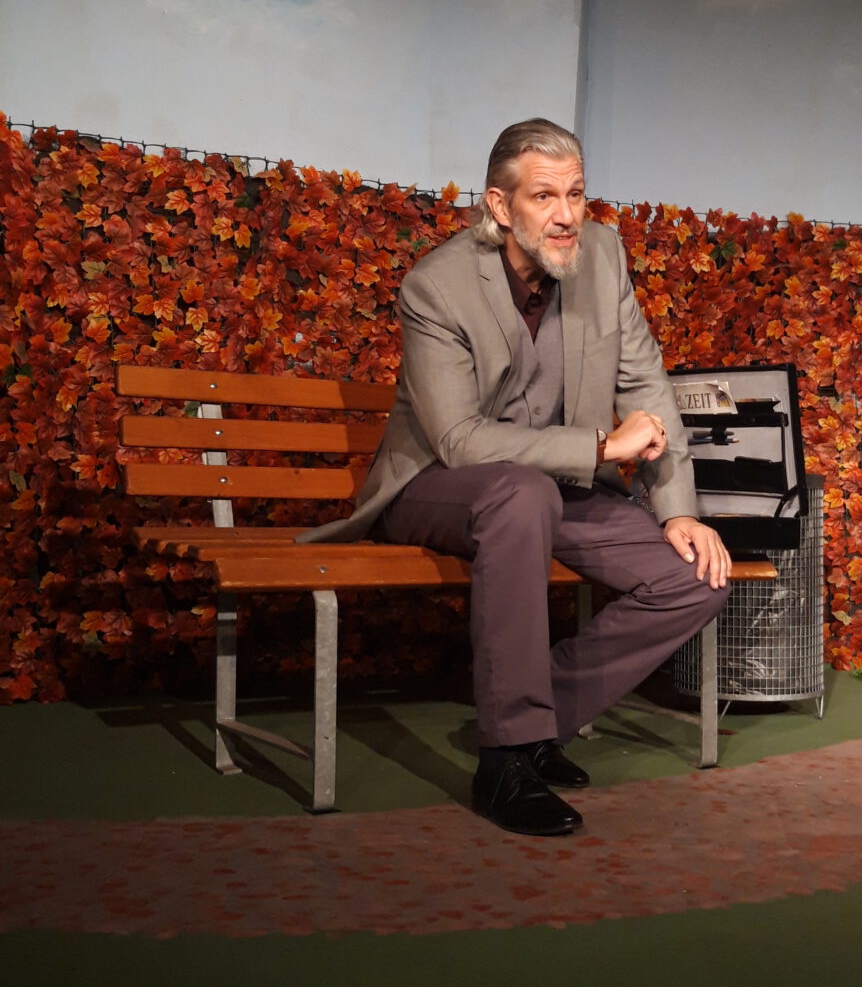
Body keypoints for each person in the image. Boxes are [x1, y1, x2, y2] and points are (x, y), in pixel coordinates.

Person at [302, 119, 730, 835]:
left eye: (577, 194)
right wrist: (602, 446)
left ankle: (531, 719)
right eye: (544, 196)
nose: (566, 215)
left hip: (553, 491)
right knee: (520, 493)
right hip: (437, 486)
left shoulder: (603, 256)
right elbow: (460, 440)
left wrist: (678, 510)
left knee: (694, 579)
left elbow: (646, 386)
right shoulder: (436, 286)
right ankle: (505, 764)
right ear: (500, 207)